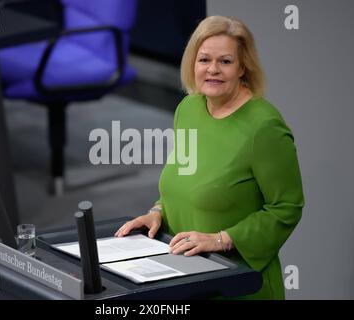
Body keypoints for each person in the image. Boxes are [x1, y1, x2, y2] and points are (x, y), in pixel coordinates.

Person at [115, 15, 304, 300]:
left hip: (237, 283)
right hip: (184, 276)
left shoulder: (264, 127)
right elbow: (185, 180)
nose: (213, 70)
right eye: (204, 60)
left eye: (225, 61)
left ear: (243, 67)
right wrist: (157, 213)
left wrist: (221, 239)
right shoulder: (189, 108)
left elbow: (287, 206)